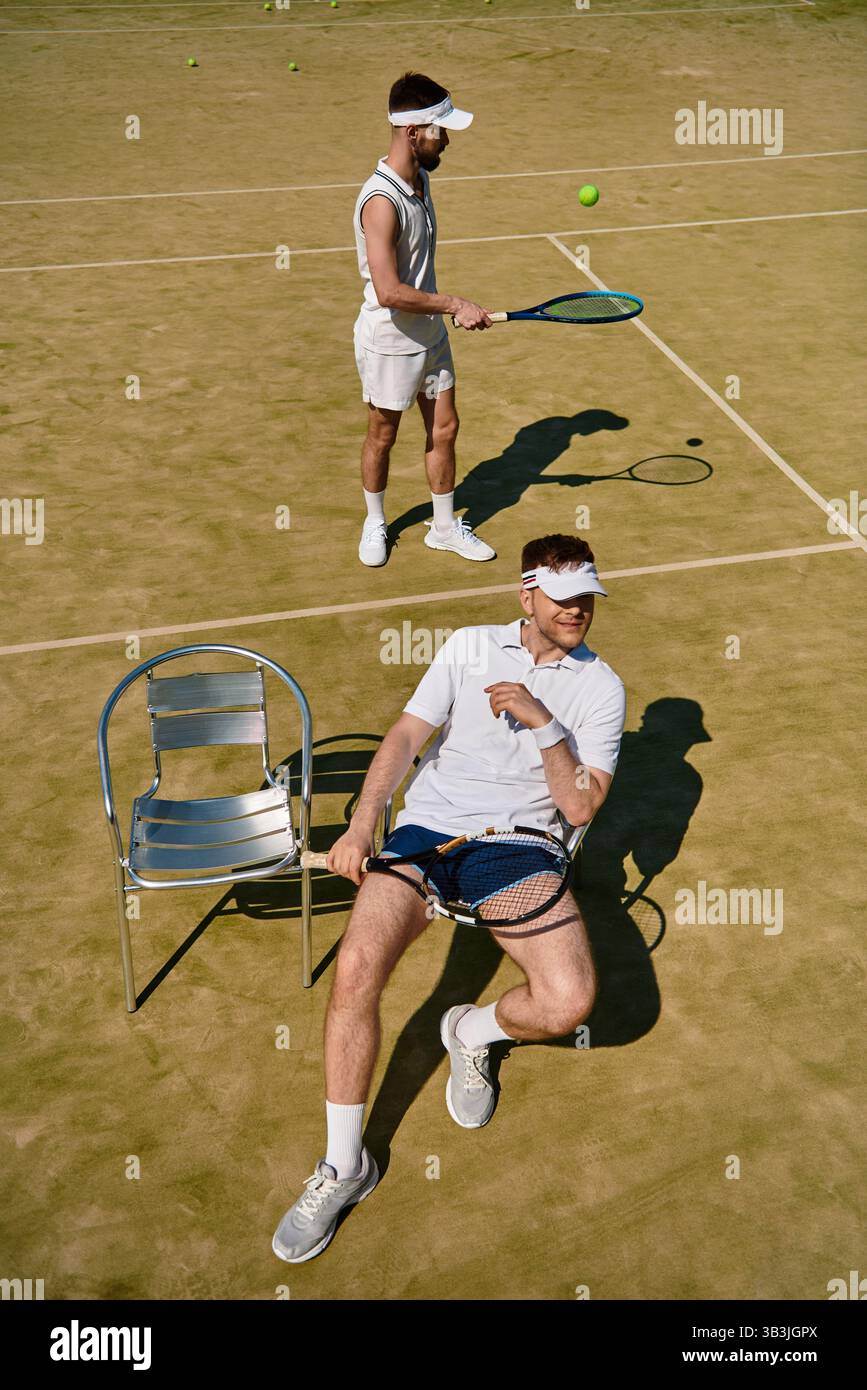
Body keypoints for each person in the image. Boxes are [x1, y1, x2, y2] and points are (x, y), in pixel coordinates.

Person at [272, 534, 627, 1263]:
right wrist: (363, 822)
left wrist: (545, 725)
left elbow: (581, 806)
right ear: (524, 595)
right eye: (562, 599)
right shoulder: (467, 646)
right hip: (425, 833)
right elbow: (407, 734)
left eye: (586, 596)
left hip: (520, 845)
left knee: (568, 1003)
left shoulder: (601, 688)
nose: (577, 610)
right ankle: (345, 1167)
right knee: (355, 972)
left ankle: (472, 1033)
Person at [353, 71, 496, 567]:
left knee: (445, 429)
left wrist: (445, 312)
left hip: (430, 335)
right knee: (383, 434)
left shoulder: (422, 179)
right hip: (390, 341)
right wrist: (456, 304)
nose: (448, 139)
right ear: (413, 133)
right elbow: (390, 291)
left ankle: (442, 526)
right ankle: (375, 522)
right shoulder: (381, 202)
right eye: (441, 130)